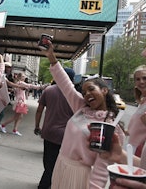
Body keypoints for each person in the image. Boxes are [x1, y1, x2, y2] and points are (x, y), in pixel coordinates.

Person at [41, 39, 125, 189]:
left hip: (79, 175)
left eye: (91, 89)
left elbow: (103, 164)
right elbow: (65, 84)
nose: (87, 94)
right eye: (84, 92)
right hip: (60, 165)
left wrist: (94, 187)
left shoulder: (111, 125)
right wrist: (51, 57)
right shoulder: (81, 107)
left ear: (104, 90)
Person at [34, 68, 75, 189]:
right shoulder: (74, 94)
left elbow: (39, 110)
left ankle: (45, 184)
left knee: (48, 162)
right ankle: (48, 183)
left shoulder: (49, 90)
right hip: (66, 135)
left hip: (49, 132)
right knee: (58, 163)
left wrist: (37, 126)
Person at [127, 65, 146, 157]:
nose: (141, 82)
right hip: (133, 146)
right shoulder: (142, 101)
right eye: (137, 79)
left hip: (141, 149)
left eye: (144, 78)